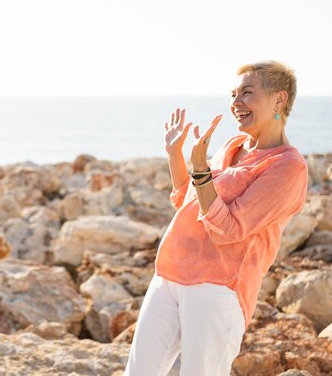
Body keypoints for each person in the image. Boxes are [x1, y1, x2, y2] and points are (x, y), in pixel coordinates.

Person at [123, 61, 308, 376]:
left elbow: (228, 228)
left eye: (247, 94)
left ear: (279, 100)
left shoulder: (288, 167)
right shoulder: (230, 146)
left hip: (218, 287)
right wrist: (175, 156)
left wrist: (201, 170)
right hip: (170, 274)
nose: (236, 103)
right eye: (233, 95)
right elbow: (188, 200)